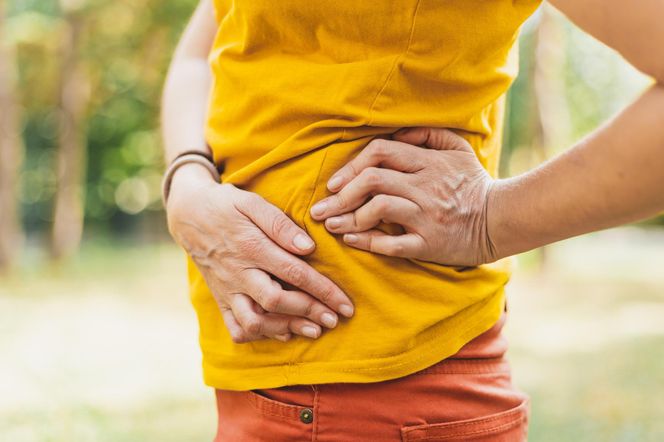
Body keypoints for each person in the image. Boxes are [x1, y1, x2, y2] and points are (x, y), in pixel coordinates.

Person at [160, 0, 664, 440]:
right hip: (260, 386)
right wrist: (186, 183)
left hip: (387, 393)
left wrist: (490, 219)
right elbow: (197, 54)